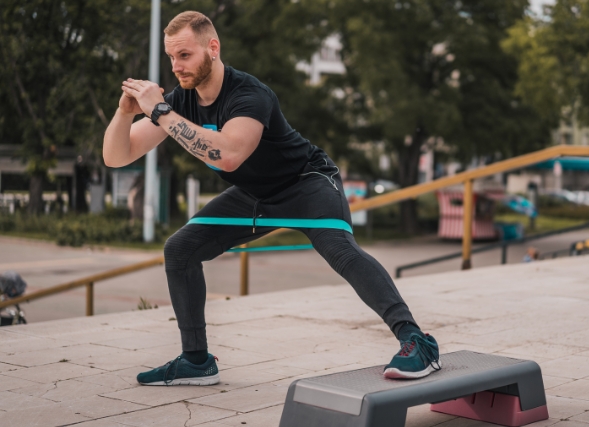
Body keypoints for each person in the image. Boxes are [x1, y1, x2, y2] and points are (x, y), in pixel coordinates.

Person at [102, 11, 440, 386]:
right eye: (171, 58)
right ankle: (196, 361)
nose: (176, 67)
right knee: (179, 250)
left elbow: (228, 154)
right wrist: (123, 113)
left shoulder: (249, 94)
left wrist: (161, 110)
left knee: (339, 249)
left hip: (306, 183)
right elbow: (117, 157)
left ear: (212, 48)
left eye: (185, 55)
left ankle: (417, 341)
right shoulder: (181, 101)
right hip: (255, 194)